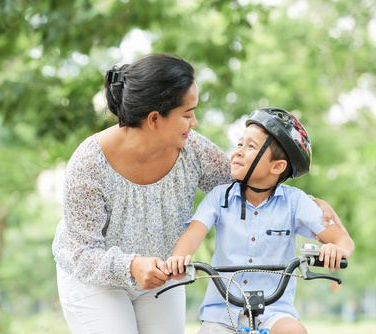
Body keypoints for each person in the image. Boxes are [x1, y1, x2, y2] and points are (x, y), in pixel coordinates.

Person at [52, 53, 347, 334]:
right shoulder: (90, 163)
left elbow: (249, 186)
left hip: (161, 274)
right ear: (155, 119)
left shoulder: (192, 149)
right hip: (96, 278)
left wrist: (309, 204)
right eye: (187, 114)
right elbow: (82, 253)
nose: (194, 123)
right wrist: (131, 264)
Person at [166, 108, 355, 334]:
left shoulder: (295, 202)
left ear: (277, 166)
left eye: (251, 147)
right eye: (239, 144)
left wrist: (336, 249)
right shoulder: (219, 197)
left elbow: (343, 241)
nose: (237, 152)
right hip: (221, 313)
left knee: (294, 331)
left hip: (274, 312)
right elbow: (192, 234)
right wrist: (178, 260)